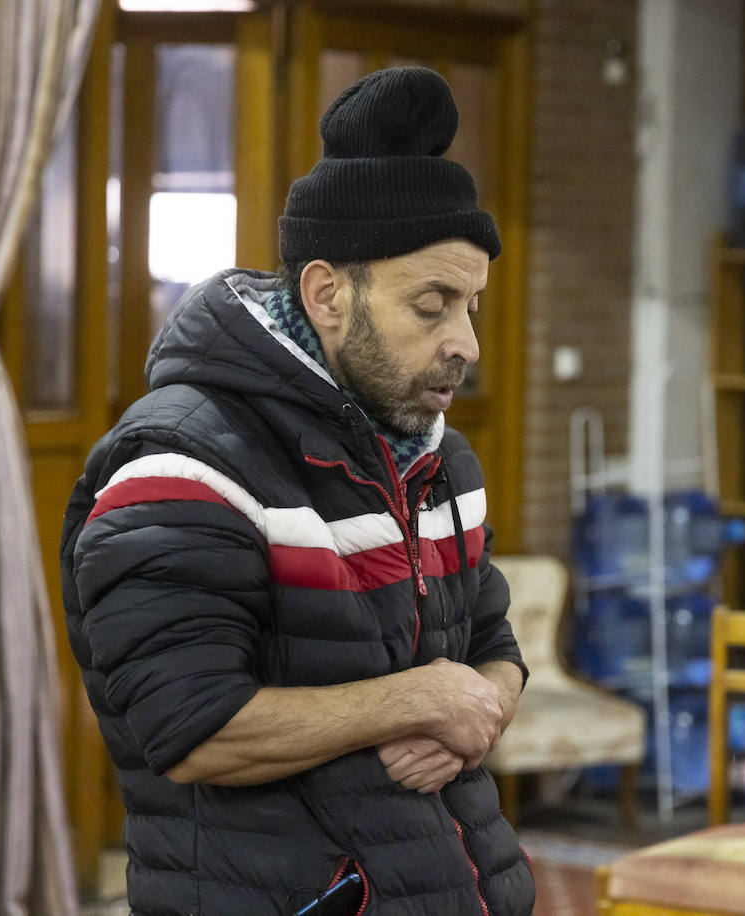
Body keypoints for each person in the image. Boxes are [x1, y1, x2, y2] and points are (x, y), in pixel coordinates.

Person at [59, 66, 535, 916]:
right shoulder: (185, 465)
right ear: (327, 295)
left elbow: (494, 648)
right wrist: (417, 699)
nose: (465, 342)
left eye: (472, 307)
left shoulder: (443, 461)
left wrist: (481, 707)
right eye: (432, 306)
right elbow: (193, 731)